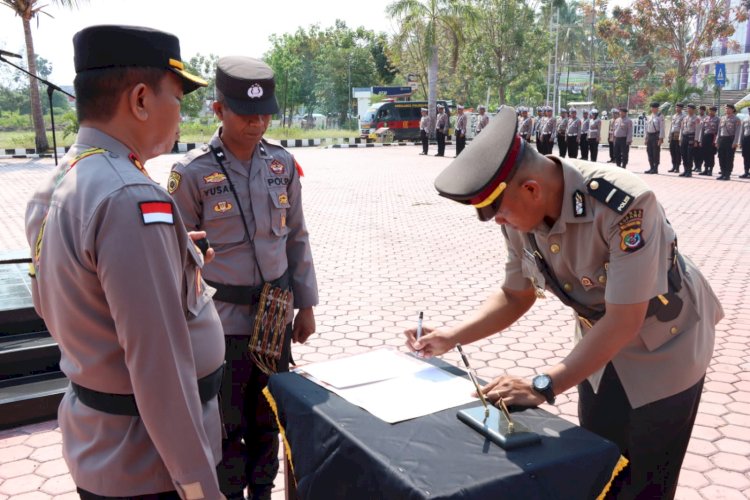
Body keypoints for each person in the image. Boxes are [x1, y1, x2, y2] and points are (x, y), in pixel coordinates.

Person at [409, 105, 722, 500]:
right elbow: (514, 295)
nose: (500, 223)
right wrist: (450, 335)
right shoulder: (523, 214)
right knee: (597, 460)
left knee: (646, 478)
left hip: (668, 345)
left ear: (531, 189)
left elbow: (626, 319)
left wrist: (544, 384)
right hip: (599, 346)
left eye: (500, 214)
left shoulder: (623, 204)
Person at [24, 25, 226, 499]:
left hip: (104, 446)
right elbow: (160, 369)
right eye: (176, 98)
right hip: (151, 468)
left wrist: (176, 258)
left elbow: (61, 300)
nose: (182, 114)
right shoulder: (129, 197)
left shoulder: (60, 183)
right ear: (140, 100)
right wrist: (199, 488)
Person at [170, 56, 318, 500]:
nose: (257, 123)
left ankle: (263, 492)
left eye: (265, 113)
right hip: (220, 322)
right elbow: (175, 257)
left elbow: (297, 237)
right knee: (226, 424)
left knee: (269, 416)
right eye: (246, 114)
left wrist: (306, 305)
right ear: (218, 111)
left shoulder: (282, 164)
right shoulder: (192, 173)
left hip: (275, 316)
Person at [716, 103, 741, 180]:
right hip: (722, 139)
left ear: (733, 110)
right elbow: (719, 130)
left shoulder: (736, 119)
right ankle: (723, 172)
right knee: (721, 156)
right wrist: (717, 140)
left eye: (728, 108)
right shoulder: (722, 118)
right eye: (726, 108)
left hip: (730, 139)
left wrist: (735, 142)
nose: (727, 110)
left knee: (729, 157)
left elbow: (738, 132)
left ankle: (727, 174)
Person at [679, 104, 701, 177]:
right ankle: (685, 170)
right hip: (684, 137)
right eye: (687, 108)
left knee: (689, 155)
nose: (688, 110)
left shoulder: (696, 118)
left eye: (690, 108)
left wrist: (696, 140)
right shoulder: (685, 118)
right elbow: (682, 129)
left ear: (693, 110)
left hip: (691, 137)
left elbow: (697, 130)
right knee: (683, 154)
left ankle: (689, 171)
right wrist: (680, 138)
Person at [644, 102, 664, 174]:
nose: (652, 109)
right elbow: (647, 128)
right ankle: (651, 167)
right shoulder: (650, 116)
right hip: (650, 136)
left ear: (657, 108)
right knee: (649, 152)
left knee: (656, 152)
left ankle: (655, 168)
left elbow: (662, 128)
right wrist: (646, 138)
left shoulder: (660, 116)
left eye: (654, 107)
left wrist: (661, 138)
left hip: (656, 136)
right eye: (651, 107)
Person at [700, 106, 720, 176]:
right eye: (710, 111)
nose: (711, 112)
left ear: (715, 112)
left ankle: (710, 170)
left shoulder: (717, 119)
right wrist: (700, 140)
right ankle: (705, 169)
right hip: (705, 137)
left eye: (713, 111)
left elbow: (718, 131)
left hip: (712, 137)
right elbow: (702, 130)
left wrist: (716, 141)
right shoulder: (706, 118)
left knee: (711, 154)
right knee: (704, 153)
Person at [668, 103, 685, 173]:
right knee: (672, 151)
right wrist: (669, 136)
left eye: (678, 108)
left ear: (681, 108)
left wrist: (681, 137)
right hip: (672, 134)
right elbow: (671, 126)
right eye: (676, 107)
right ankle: (673, 165)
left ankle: (677, 167)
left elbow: (682, 127)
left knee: (678, 152)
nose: (677, 109)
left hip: (678, 135)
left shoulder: (683, 116)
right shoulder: (674, 116)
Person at [693, 105, 707, 172]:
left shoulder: (706, 118)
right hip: (695, 137)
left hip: (702, 138)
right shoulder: (696, 117)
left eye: (702, 110)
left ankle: (699, 166)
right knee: (695, 153)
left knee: (700, 153)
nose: (700, 111)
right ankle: (695, 166)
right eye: (699, 109)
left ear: (704, 111)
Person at [741, 114, 750, 178]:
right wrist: (740, 142)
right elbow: (742, 131)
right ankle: (746, 172)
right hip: (746, 139)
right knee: (746, 156)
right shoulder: (745, 120)